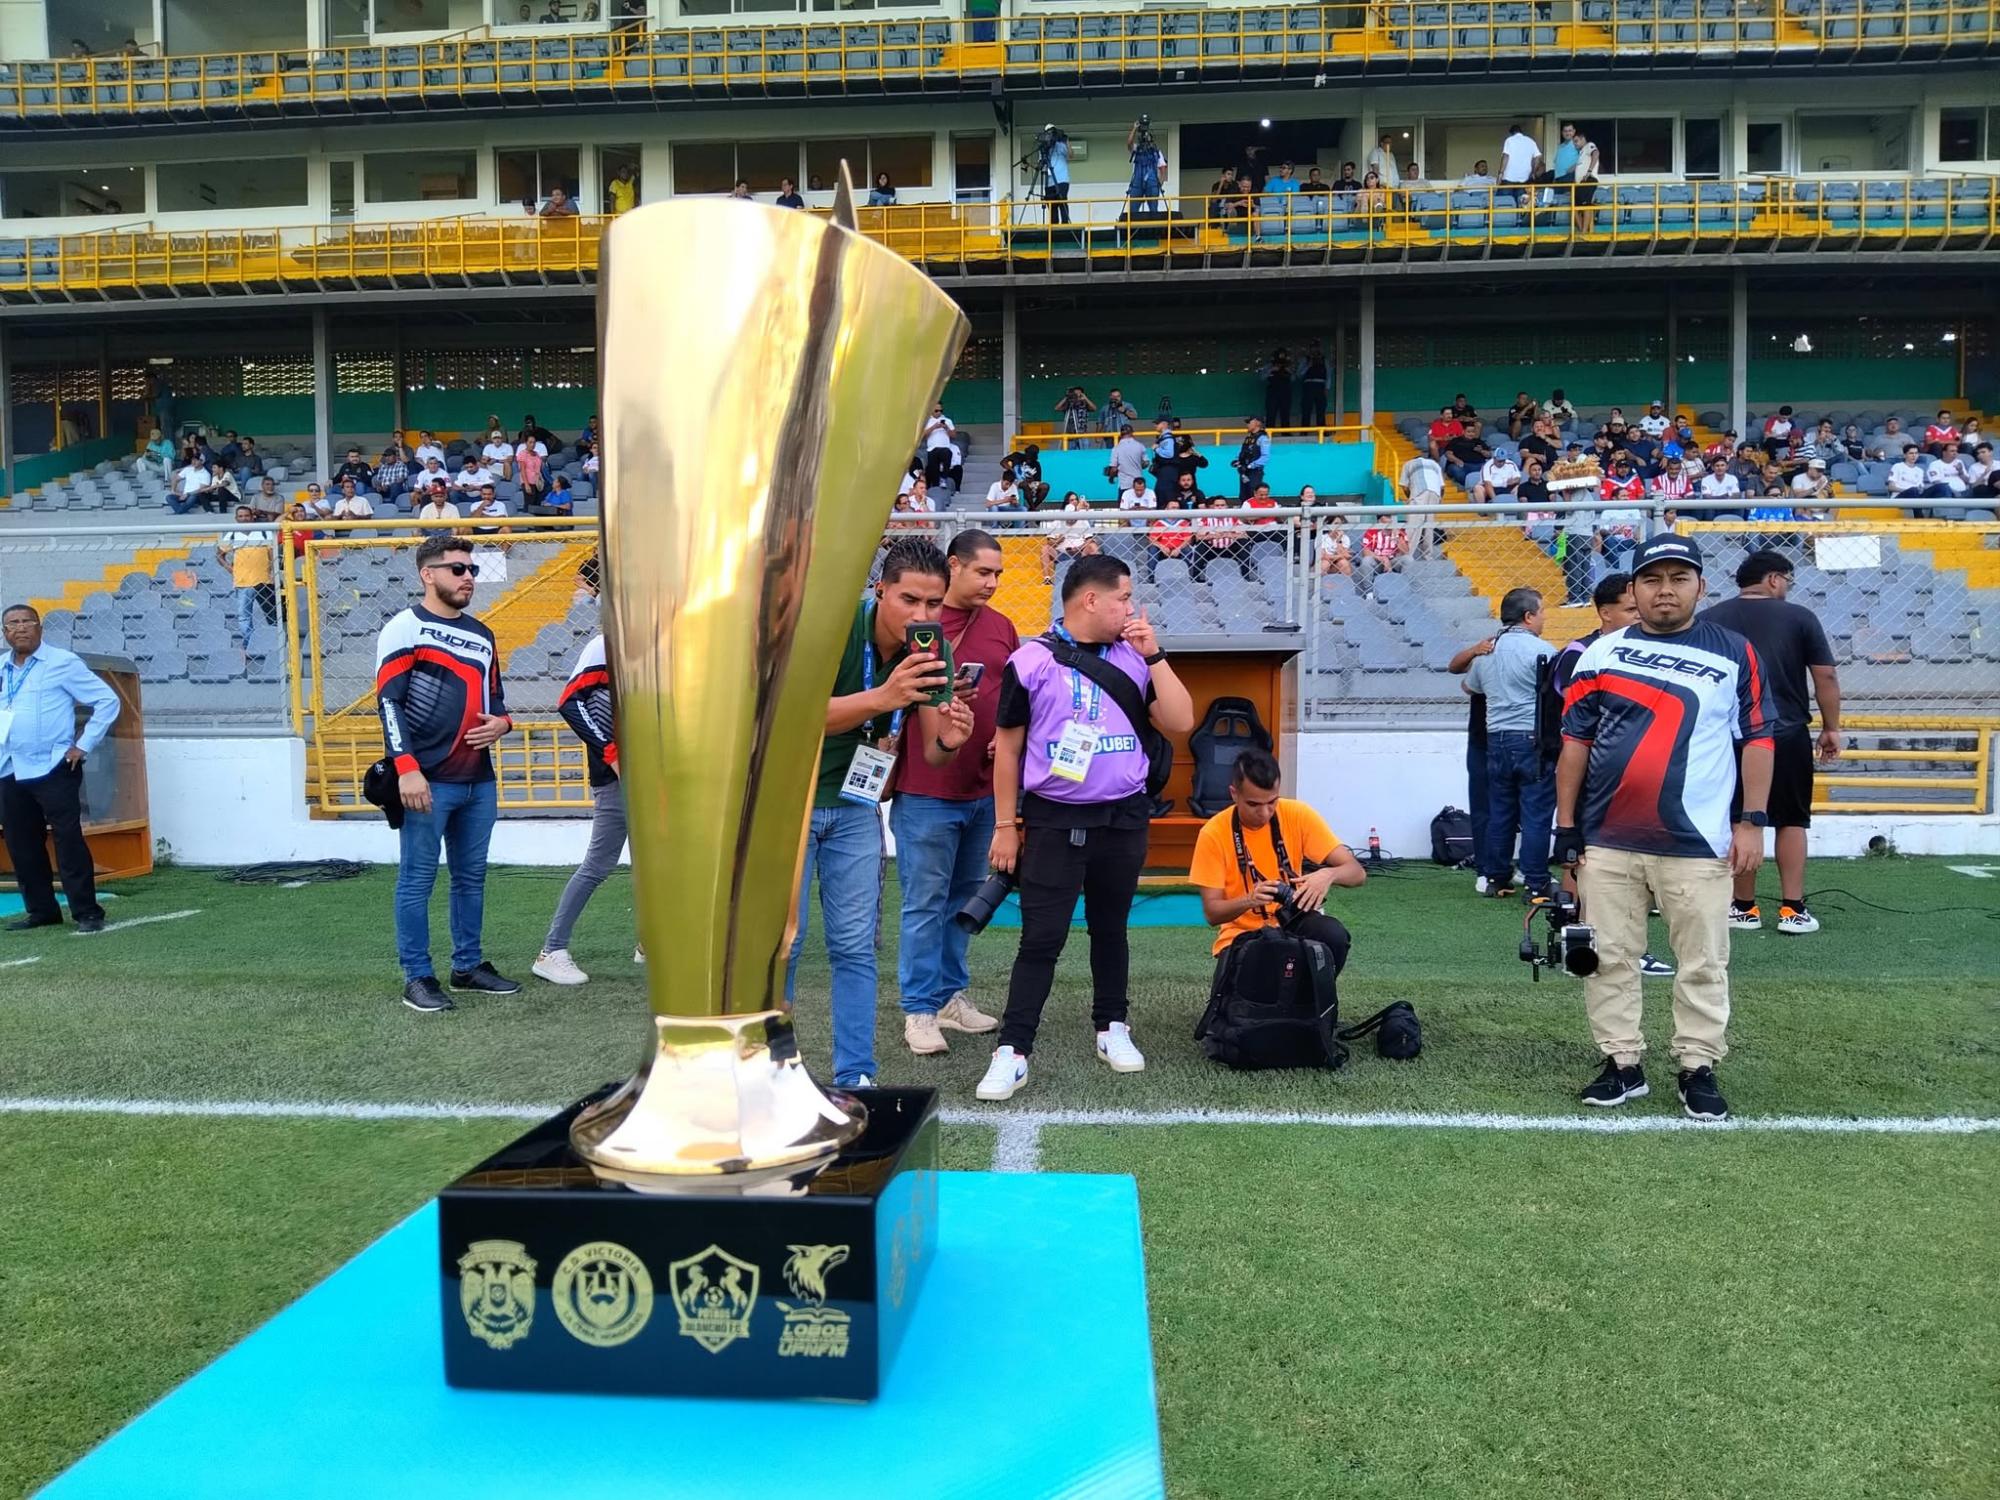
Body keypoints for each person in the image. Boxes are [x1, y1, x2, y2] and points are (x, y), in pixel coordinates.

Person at [1554, 534, 1775, 1121]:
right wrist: (1566, 826)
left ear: (1701, 586)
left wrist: (1752, 822)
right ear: (1633, 589)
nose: (1665, 590)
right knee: (1607, 957)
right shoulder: (1599, 654)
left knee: (1703, 960)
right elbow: (1575, 744)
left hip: (1697, 843)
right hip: (1606, 840)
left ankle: (1697, 1066)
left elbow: (1758, 739)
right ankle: (1621, 1062)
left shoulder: (1736, 653)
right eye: (1652, 580)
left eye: (1679, 578)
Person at [976, 555, 1196, 1101]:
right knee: (1041, 938)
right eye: (1123, 597)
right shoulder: (1031, 660)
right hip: (1054, 818)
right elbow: (1008, 749)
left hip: (1124, 816)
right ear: (1091, 599)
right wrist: (1006, 825)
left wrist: (1156, 654)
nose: (1131, 608)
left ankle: (1111, 1026)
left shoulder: (1135, 657)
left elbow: (1181, 720)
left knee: (1111, 928)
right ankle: (1013, 1050)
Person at [787, 539, 975, 1088]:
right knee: (785, 945)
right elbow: (795, 718)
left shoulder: (933, 649)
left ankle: (856, 1076)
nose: (921, 615)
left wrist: (952, 739)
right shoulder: (832, 629)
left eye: (934, 603)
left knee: (854, 947)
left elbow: (935, 752)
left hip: (856, 807)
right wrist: (885, 697)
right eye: (909, 600)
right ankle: (772, 1069)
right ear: (880, 591)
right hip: (789, 805)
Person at [375, 534, 519, 1014]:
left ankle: (468, 966)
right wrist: (407, 769)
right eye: (457, 569)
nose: (468, 578)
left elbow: (496, 700)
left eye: (471, 570)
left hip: (479, 780)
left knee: (471, 878)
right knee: (417, 879)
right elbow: (389, 703)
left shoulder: (483, 634)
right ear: (428, 574)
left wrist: (504, 724)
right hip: (427, 781)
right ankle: (417, 977)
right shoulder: (404, 628)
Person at [890, 530, 1017, 1055]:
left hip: (982, 791)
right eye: (983, 572)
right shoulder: (917, 627)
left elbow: (1013, 699)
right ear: (954, 566)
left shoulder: (1003, 627)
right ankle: (918, 1009)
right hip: (925, 791)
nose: (992, 583)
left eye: (998, 574)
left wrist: (1007, 741)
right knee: (924, 902)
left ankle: (948, 997)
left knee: (963, 899)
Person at [1702, 551, 1840, 937]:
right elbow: (1826, 676)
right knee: (1791, 820)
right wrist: (1831, 727)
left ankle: (1743, 907)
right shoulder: (1800, 617)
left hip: (1730, 733)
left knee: (1739, 817)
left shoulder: (1709, 619)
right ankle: (1792, 909)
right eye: (1787, 582)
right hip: (1786, 730)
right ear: (1775, 579)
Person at [0, 604, 121, 935]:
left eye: (27, 621)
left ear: (40, 628)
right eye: (13, 623)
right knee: (21, 843)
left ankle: (87, 912)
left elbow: (108, 701)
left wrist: (83, 745)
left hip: (54, 764)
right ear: (5, 632)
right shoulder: (2, 668)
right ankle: (41, 911)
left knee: (68, 839)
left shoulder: (62, 663)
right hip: (9, 766)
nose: (20, 628)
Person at [1189, 748, 1365, 973]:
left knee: (1333, 935)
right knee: (1266, 973)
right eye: (1253, 804)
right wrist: (1249, 900)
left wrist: (1328, 874)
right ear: (1234, 794)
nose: (1265, 812)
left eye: (1272, 801)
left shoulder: (1298, 814)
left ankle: (1314, 995)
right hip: (1242, 936)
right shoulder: (1213, 833)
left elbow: (1357, 873)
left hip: (1293, 922)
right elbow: (1212, 913)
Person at [532, 634, 635, 984]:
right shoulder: (608, 644)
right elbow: (570, 702)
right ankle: (551, 951)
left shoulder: (669, 646)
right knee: (598, 864)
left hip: (658, 778)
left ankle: (651, 941)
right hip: (618, 779)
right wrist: (612, 754)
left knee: (659, 864)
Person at [1458, 587, 1555, 899]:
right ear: (1528, 616)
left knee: (1500, 812)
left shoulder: (1487, 652)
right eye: (1541, 613)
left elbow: (1469, 687)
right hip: (1531, 738)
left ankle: (1496, 877)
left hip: (1495, 739)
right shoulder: (1544, 651)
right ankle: (1536, 881)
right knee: (1536, 813)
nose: (1543, 619)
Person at [216, 510, 277, 649]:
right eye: (241, 516)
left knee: (272, 614)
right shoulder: (232, 534)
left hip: (264, 581)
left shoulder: (264, 532)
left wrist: (273, 572)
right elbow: (219, 555)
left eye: (247, 516)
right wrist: (231, 569)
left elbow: (272, 555)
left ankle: (274, 641)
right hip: (243, 582)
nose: (244, 519)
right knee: (244, 615)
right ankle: (249, 643)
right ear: (236, 518)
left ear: (252, 517)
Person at [1126, 118, 1164, 214]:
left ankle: (1154, 223)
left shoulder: (1156, 152)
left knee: (1154, 211)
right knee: (1133, 212)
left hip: (1152, 183)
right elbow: (1129, 143)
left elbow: (1163, 168)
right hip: (1137, 183)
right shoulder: (1137, 149)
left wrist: (1160, 183)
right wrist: (1134, 128)